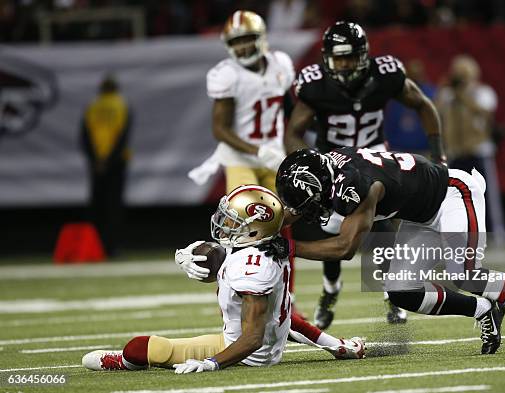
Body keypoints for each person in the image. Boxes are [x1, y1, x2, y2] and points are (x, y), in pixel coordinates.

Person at [263, 148, 505, 355]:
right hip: (420, 214)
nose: (304, 208)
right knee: (402, 292)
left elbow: (346, 248)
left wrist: (290, 248)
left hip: (452, 195)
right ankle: (485, 310)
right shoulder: (329, 172)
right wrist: (259, 230)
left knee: (465, 274)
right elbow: (297, 208)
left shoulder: (357, 185)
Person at [82, 185, 365, 373]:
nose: (225, 223)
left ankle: (123, 363)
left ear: (255, 230)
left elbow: (253, 338)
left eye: (233, 220)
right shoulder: (267, 243)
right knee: (273, 317)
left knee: (139, 347)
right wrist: (336, 345)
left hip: (243, 352)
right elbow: (285, 320)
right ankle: (338, 345)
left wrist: (211, 364)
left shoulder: (252, 268)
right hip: (264, 336)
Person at [283, 21, 446, 329]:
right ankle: (331, 290)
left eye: (349, 57)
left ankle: (392, 295)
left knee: (383, 229)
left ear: (363, 55)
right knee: (333, 230)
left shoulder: (385, 74)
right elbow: (294, 133)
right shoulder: (315, 84)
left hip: (374, 162)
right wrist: (308, 164)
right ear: (327, 58)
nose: (343, 65)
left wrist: (438, 153)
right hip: (332, 164)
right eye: (337, 58)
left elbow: (424, 106)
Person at [187, 10, 302, 315]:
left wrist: (291, 148)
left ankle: (286, 295)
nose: (243, 47)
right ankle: (233, 292)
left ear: (261, 39)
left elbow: (289, 110)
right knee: (241, 227)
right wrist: (257, 150)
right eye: (236, 42)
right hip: (241, 158)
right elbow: (220, 129)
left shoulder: (281, 65)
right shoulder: (227, 74)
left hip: (274, 154)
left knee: (283, 225)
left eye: (248, 39)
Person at [435, 55, 505, 242]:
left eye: (464, 73)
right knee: (454, 196)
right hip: (455, 151)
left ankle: (494, 232)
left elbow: (485, 112)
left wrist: (463, 95)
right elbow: (436, 112)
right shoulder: (447, 94)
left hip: (478, 149)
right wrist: (445, 90)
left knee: (486, 194)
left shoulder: (483, 92)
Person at [80, 74, 132, 257]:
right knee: (113, 207)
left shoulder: (92, 106)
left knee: (97, 207)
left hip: (96, 164)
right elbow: (123, 136)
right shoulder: (121, 105)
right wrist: (108, 161)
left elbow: (84, 136)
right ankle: (112, 247)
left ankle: (95, 246)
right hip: (116, 163)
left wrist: (96, 160)